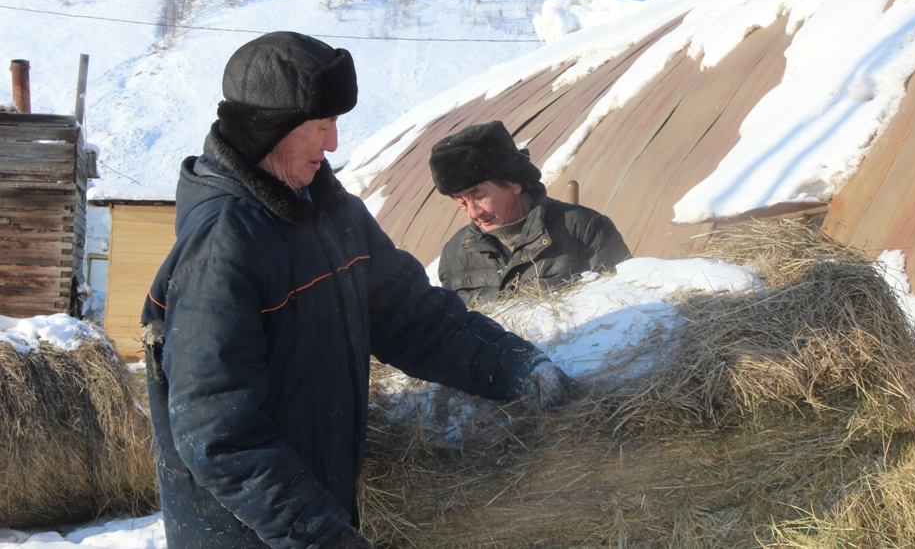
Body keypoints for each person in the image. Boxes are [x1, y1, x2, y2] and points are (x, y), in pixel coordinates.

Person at [141, 32, 575, 549]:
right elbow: (217, 431)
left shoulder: (331, 214)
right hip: (251, 535)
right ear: (268, 133)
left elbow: (412, 316)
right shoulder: (224, 246)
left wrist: (516, 366)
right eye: (321, 126)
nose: (333, 144)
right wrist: (320, 534)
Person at [429, 121, 631, 305]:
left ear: (512, 183)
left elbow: (627, 307)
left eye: (478, 194)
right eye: (462, 202)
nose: (473, 212)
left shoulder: (585, 230)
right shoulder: (455, 255)